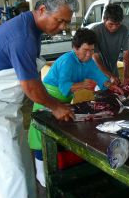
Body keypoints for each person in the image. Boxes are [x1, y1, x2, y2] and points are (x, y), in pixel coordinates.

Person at [0, 0, 78, 198]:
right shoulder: (22, 36)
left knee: (23, 163)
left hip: (7, 108)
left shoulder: (31, 27)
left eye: (66, 23)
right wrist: (56, 107)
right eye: (59, 21)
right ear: (42, 9)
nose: (63, 28)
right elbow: (30, 86)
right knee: (10, 173)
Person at [28, 28, 123, 187]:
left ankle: (57, 165)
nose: (89, 54)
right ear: (75, 48)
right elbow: (64, 86)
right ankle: (40, 172)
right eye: (85, 50)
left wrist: (111, 86)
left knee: (59, 131)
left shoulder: (89, 62)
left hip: (64, 101)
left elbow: (101, 79)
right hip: (47, 99)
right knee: (40, 132)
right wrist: (82, 85)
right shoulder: (67, 61)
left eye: (92, 51)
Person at [92, 4, 129, 85]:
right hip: (98, 73)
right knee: (101, 96)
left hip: (114, 73)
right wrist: (109, 76)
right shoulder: (95, 32)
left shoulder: (124, 30)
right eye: (111, 24)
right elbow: (95, 57)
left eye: (117, 24)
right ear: (104, 20)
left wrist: (126, 75)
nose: (114, 27)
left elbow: (126, 54)